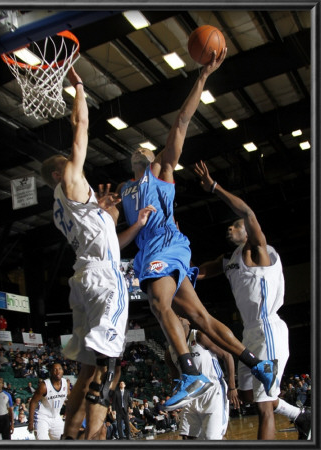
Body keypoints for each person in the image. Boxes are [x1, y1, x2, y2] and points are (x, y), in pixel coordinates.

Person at [117, 49, 279, 411]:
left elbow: (181, 122)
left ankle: (189, 372)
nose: (140, 152)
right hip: (148, 251)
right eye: (136, 152)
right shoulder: (125, 190)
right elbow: (112, 232)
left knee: (160, 305)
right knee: (199, 319)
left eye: (146, 150)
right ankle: (258, 363)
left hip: (167, 245)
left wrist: (203, 77)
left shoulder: (160, 169)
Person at [40, 67, 155, 440]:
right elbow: (81, 127)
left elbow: (109, 242)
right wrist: (78, 88)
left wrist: (108, 214)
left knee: (87, 370)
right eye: (70, 167)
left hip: (84, 280)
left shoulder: (65, 205)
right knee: (109, 367)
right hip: (104, 280)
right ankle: (93, 437)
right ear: (60, 174)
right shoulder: (70, 179)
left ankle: (70, 437)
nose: (79, 170)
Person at [193, 160, 311, 440]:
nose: (230, 229)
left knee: (263, 407)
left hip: (268, 328)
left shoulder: (260, 251)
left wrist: (215, 188)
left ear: (247, 231)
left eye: (235, 227)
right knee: (248, 396)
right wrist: (174, 273)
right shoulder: (231, 259)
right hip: (249, 332)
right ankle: (301, 416)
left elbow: (247, 211)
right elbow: (203, 270)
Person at [165, 316, 239, 440]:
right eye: (174, 315)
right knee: (188, 438)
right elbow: (174, 376)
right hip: (190, 395)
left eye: (180, 316)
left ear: (189, 321)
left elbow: (227, 356)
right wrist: (175, 398)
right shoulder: (169, 351)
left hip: (212, 391)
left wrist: (232, 387)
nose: (177, 317)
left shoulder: (199, 336)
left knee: (212, 438)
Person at [28, 362, 70, 440]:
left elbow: (69, 399)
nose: (58, 371)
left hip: (56, 416)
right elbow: (33, 402)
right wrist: (30, 422)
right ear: (50, 372)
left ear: (63, 371)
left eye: (60, 369)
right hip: (42, 417)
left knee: (64, 440)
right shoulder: (44, 385)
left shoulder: (65, 383)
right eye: (55, 369)